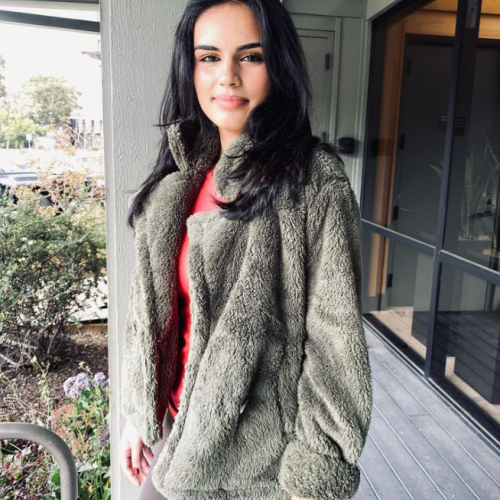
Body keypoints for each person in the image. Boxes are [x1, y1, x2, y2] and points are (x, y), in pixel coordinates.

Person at [118, 1, 373, 499]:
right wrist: (139, 414)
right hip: (172, 432)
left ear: (277, 66)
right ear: (189, 68)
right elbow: (148, 318)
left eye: (250, 57)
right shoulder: (177, 182)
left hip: (255, 466)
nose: (227, 76)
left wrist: (310, 481)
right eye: (209, 57)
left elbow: (335, 346)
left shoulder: (313, 182)